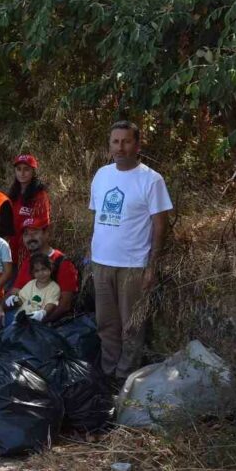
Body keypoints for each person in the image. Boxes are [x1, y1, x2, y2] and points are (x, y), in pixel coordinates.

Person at [89, 120, 172, 384]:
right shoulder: (102, 175)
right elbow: (97, 216)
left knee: (132, 328)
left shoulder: (151, 180)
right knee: (106, 325)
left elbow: (161, 226)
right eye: (115, 141)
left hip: (133, 266)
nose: (120, 147)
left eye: (126, 141)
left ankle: (125, 379)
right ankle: (108, 373)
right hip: (101, 263)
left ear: (137, 144)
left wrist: (152, 267)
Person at [7, 217, 78, 322]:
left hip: (48, 321)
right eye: (26, 234)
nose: (30, 237)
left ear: (46, 234)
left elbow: (65, 305)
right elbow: (15, 291)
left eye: (35, 232)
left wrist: (41, 324)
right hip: (24, 312)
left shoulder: (63, 262)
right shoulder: (28, 261)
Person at [0, 253, 60, 331]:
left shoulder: (54, 287)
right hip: (20, 320)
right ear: (33, 273)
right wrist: (15, 299)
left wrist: (43, 313)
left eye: (44, 269)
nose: (41, 273)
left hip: (38, 324)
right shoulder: (31, 284)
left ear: (50, 268)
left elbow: (51, 303)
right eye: (37, 271)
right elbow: (22, 299)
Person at [8, 154, 51, 264]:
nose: (22, 173)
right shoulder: (12, 195)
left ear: (33, 172)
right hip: (10, 250)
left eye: (26, 169)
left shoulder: (40, 196)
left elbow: (43, 225)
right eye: (19, 169)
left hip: (29, 251)